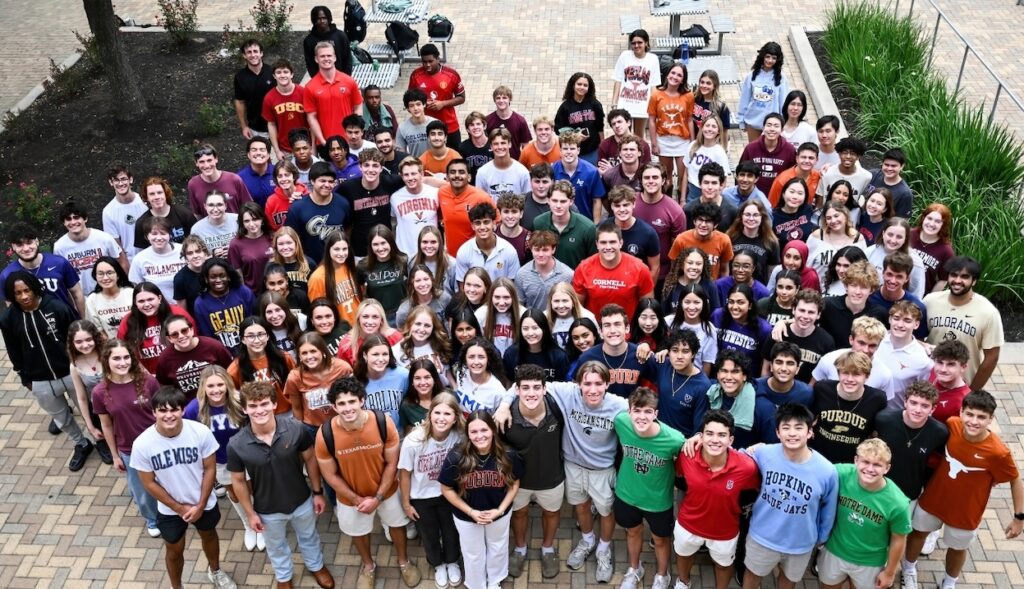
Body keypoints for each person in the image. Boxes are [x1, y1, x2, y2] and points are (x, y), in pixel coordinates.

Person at [900, 390, 1024, 589]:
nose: (974, 421)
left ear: (991, 419)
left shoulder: (998, 452)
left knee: (958, 547)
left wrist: (1019, 517)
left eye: (981, 417)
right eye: (970, 414)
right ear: (961, 412)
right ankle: (908, 569)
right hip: (934, 498)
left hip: (966, 511)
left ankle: (949, 583)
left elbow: (1015, 480)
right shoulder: (953, 425)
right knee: (918, 533)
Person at [315, 377, 421, 589]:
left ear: (362, 400)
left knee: (397, 526)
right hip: (350, 497)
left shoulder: (383, 422)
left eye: (352, 401)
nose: (347, 408)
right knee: (358, 533)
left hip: (387, 491)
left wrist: (378, 497)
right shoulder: (325, 434)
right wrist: (356, 499)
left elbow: (392, 464)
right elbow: (330, 475)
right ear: (334, 406)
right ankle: (368, 566)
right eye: (341, 403)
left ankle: (403, 561)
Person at [227, 381, 334, 589]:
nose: (260, 410)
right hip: (267, 509)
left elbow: (311, 459)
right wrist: (250, 513)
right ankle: (284, 576)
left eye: (264, 404)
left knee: (309, 536)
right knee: (276, 546)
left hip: (302, 500)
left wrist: (318, 492)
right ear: (244, 409)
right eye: (253, 406)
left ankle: (316, 566)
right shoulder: (236, 444)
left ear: (274, 404)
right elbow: (238, 481)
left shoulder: (296, 428)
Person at [131, 387, 237, 589]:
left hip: (203, 502)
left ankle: (215, 571)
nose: (169, 415)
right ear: (154, 412)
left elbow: (209, 468)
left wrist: (201, 504)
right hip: (170, 509)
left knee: (209, 535)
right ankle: (176, 586)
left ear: (182, 410)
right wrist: (179, 508)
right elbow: (148, 483)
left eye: (174, 409)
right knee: (173, 548)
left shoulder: (200, 432)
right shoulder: (142, 444)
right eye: (162, 410)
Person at [1, 272, 95, 466]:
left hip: (70, 373)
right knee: (61, 417)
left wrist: (81, 365)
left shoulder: (57, 307)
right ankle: (81, 443)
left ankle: (100, 439)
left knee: (89, 409)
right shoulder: (8, 319)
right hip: (40, 380)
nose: (24, 296)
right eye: (17, 293)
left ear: (35, 288)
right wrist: (24, 377)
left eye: (27, 290)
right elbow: (13, 350)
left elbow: (75, 338)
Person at [742, 403, 838, 589]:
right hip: (762, 535)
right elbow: (734, 459)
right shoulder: (764, 453)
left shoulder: (827, 470)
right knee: (753, 575)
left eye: (799, 427)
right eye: (786, 428)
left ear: (810, 432)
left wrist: (822, 537)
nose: (792, 433)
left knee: (788, 581)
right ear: (778, 433)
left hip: (801, 541)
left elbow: (829, 507)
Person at [673, 410, 760, 589]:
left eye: (722, 435)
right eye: (709, 433)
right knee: (684, 555)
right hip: (688, 523)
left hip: (725, 531)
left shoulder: (747, 467)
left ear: (731, 440)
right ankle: (683, 582)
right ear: (701, 436)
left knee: (723, 565)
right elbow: (679, 477)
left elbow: (753, 489)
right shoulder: (687, 455)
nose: (715, 440)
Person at [614, 387, 685, 589]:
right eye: (637, 410)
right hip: (627, 494)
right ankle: (634, 568)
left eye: (648, 412)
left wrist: (697, 437)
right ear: (629, 412)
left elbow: (691, 453)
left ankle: (662, 575)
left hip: (658, 501)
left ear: (656, 414)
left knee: (661, 540)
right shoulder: (621, 423)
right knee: (633, 532)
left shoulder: (674, 440)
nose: (642, 417)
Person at [500, 364, 566, 579]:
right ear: (516, 390)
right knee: (519, 514)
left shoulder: (557, 408)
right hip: (519, 482)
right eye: (525, 388)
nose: (531, 393)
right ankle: (520, 547)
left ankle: (547, 548)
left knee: (552, 513)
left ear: (544, 389)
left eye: (536, 387)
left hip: (552, 477)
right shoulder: (504, 418)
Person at [816, 439, 910, 589]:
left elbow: (899, 538)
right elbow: (812, 471)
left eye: (877, 465)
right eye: (865, 462)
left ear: (887, 468)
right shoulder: (840, 474)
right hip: (834, 551)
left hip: (870, 562)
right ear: (856, 461)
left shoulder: (897, 503)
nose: (870, 469)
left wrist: (889, 572)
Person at [185, 366, 262, 550]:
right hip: (220, 461)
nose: (216, 390)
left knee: (253, 490)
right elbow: (188, 435)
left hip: (246, 457)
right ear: (203, 387)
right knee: (235, 493)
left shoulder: (238, 400)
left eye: (220, 384)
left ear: (227, 384)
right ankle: (248, 525)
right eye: (210, 386)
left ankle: (260, 524)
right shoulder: (194, 408)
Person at [93, 340, 160, 535]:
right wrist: (115, 455)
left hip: (157, 442)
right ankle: (152, 520)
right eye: (116, 358)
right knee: (141, 489)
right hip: (129, 449)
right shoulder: (100, 392)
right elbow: (106, 425)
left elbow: (162, 411)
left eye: (126, 357)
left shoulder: (149, 382)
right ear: (107, 361)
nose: (122, 362)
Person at [398, 393, 465, 588]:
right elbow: (404, 474)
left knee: (451, 530)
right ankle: (438, 564)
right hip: (421, 497)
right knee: (429, 534)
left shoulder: (459, 436)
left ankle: (452, 561)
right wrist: (406, 504)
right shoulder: (414, 441)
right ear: (430, 414)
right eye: (437, 412)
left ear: (455, 417)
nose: (441, 418)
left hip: (448, 493)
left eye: (447, 413)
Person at [924, 256, 1002, 390]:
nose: (957, 281)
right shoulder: (930, 302)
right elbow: (916, 339)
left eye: (965, 277)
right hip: (929, 384)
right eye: (953, 275)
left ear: (974, 281)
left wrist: (972, 392)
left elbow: (992, 358)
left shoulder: (988, 313)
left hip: (963, 385)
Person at [810, 350, 888, 464]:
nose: (850, 379)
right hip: (818, 460)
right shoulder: (822, 389)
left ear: (867, 376)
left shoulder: (877, 399)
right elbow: (808, 419)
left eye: (856, 374)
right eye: (845, 373)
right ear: (838, 373)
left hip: (852, 465)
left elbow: (876, 434)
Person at [575, 304, 657, 399]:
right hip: (598, 412)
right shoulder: (587, 358)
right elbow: (577, 392)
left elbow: (664, 383)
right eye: (607, 325)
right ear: (601, 332)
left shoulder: (641, 354)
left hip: (630, 412)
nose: (612, 330)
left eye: (617, 324)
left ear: (627, 328)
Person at [2, 223, 85, 316]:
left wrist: (83, 321)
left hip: (66, 321)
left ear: (36, 241)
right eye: (20, 244)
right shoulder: (7, 275)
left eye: (29, 242)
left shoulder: (59, 263)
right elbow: (11, 307)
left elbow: (77, 293)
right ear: (13, 247)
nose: (26, 248)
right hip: (33, 326)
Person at [810, 316, 895, 402]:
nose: (865, 350)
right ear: (851, 339)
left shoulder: (884, 375)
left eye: (872, 346)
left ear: (878, 346)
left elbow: (885, 408)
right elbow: (811, 391)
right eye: (861, 343)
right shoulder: (829, 360)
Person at [760, 288, 834, 382]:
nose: (805, 316)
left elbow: (823, 377)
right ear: (794, 310)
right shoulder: (778, 333)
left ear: (818, 315)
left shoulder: (826, 341)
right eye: (802, 310)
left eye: (811, 312)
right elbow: (765, 369)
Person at [66, 320, 114, 465]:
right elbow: (81, 398)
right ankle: (102, 444)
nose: (85, 345)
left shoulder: (109, 354)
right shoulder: (75, 366)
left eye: (88, 339)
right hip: (98, 410)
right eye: (79, 342)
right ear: (72, 343)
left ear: (95, 337)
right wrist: (90, 426)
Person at [118, 281, 193, 373]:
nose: (146, 304)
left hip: (182, 371)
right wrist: (146, 376)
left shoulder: (177, 313)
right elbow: (122, 351)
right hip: (146, 376)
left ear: (159, 298)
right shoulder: (127, 321)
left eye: (150, 299)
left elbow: (194, 340)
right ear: (135, 303)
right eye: (141, 301)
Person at [54, 201, 126, 296]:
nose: (73, 222)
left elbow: (121, 262)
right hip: (81, 298)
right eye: (68, 219)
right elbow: (62, 277)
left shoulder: (104, 238)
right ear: (64, 222)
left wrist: (123, 287)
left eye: (76, 217)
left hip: (109, 291)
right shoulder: (60, 247)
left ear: (85, 219)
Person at [155, 314, 232, 401]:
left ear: (191, 330)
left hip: (220, 400)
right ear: (169, 338)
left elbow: (230, 372)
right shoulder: (165, 359)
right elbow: (165, 388)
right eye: (174, 334)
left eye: (184, 330)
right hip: (187, 408)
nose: (181, 336)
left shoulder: (214, 346)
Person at [285, 162, 349, 263]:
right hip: (309, 264)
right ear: (312, 181)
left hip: (338, 262)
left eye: (331, 181)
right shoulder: (298, 208)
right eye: (322, 181)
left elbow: (348, 230)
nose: (327, 185)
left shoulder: (343, 204)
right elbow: (290, 238)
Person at [652, 330, 713, 437]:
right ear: (668, 352)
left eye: (685, 351)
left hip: (682, 443)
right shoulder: (663, 365)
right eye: (675, 350)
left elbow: (699, 428)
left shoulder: (703, 385)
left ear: (693, 353)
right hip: (658, 436)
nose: (679, 356)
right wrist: (643, 346)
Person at [648, 62, 694, 198]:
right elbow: (651, 119)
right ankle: (666, 202)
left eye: (679, 75)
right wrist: (654, 143)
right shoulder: (656, 94)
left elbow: (690, 119)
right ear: (667, 74)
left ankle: (681, 203)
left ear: (683, 80)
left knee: (682, 175)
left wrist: (693, 143)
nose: (675, 77)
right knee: (667, 177)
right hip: (664, 140)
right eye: (673, 73)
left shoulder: (688, 95)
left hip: (682, 141)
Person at [876, 301, 933, 407]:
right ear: (889, 319)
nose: (900, 325)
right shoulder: (875, 341)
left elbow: (924, 396)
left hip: (895, 415)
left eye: (907, 321)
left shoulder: (923, 360)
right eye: (896, 318)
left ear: (916, 324)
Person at [303, 41, 361, 146]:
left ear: (335, 57)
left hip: (349, 142)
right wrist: (323, 142)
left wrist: (355, 132)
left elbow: (358, 106)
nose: (326, 59)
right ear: (316, 59)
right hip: (326, 144)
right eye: (322, 56)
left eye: (329, 55)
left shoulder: (349, 81)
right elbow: (311, 117)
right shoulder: (310, 87)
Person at [192, 258, 255, 353]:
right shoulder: (200, 303)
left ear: (229, 276)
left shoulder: (243, 292)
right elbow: (207, 336)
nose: (218, 280)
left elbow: (255, 320)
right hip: (223, 353)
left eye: (222, 276)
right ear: (206, 279)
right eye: (213, 277)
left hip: (250, 347)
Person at [408, 44, 466, 147]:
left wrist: (443, 103)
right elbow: (410, 100)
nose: (427, 65)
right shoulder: (416, 75)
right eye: (424, 62)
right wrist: (422, 104)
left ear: (438, 59)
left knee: (454, 158)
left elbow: (461, 98)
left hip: (449, 126)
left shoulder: (451, 75)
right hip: (424, 127)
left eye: (431, 61)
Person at [818, 260, 888, 345]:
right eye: (853, 285)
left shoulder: (879, 313)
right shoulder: (828, 305)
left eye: (864, 287)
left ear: (871, 290)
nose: (857, 292)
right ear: (846, 286)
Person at [531, 180, 597, 268]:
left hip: (575, 280)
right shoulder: (538, 223)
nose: (558, 206)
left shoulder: (587, 228)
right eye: (554, 201)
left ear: (571, 201)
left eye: (563, 201)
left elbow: (593, 261)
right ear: (548, 200)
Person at [454, 201, 520, 283]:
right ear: (472, 226)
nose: (482, 227)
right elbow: (462, 286)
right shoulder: (464, 251)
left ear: (494, 223)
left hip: (500, 295)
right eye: (478, 223)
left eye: (486, 222)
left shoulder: (509, 251)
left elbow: (513, 285)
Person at [613, 29, 662, 137]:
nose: (636, 45)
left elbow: (653, 85)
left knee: (639, 135)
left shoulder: (653, 59)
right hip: (624, 103)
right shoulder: (625, 56)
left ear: (646, 43)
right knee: (622, 134)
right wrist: (614, 103)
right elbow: (618, 80)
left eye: (639, 42)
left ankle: (639, 154)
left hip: (642, 105)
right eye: (633, 43)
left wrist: (655, 106)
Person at [738, 42, 789, 143]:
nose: (770, 60)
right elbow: (744, 99)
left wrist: (784, 123)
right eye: (768, 57)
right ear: (762, 56)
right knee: (754, 154)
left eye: (774, 58)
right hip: (753, 122)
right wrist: (741, 121)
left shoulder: (782, 78)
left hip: (772, 125)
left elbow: (783, 103)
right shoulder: (751, 76)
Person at [607, 186, 660, 282]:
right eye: (617, 206)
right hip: (609, 285)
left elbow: (655, 268)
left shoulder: (648, 233)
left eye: (626, 205)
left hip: (637, 288)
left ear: (634, 204)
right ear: (612, 207)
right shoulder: (603, 229)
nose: (622, 209)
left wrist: (646, 295)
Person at [669, 203, 733, 280]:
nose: (703, 225)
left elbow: (724, 270)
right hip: (686, 287)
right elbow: (674, 269)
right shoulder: (681, 239)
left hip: (712, 287)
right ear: (694, 221)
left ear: (715, 225)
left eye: (708, 221)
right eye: (700, 219)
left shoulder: (724, 240)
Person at [502, 309, 569, 382]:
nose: (530, 333)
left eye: (535, 328)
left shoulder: (559, 356)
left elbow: (561, 386)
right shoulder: (511, 353)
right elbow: (508, 382)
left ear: (544, 329)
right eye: (525, 329)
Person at [553, 131, 607, 221]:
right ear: (560, 151)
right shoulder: (553, 170)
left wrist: (596, 226)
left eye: (572, 148)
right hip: (559, 222)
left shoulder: (591, 172)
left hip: (585, 223)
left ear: (578, 150)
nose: (569, 152)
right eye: (565, 148)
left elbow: (596, 201)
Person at [390, 158, 440, 257]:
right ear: (401, 176)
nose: (410, 178)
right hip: (406, 253)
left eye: (413, 174)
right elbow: (393, 222)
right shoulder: (395, 197)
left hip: (431, 251)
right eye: (406, 175)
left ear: (421, 174)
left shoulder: (435, 193)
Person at [187, 144, 253, 218]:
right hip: (209, 228)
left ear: (216, 159)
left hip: (236, 226)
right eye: (202, 162)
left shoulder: (234, 179)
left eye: (209, 160)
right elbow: (197, 214)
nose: (207, 165)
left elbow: (249, 207)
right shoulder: (193, 184)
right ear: (196, 163)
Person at [515, 229, 574, 310]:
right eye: (537, 249)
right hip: (531, 321)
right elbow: (519, 305)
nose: (541, 254)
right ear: (531, 249)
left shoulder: (567, 275)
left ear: (553, 249)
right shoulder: (522, 274)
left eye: (545, 250)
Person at [740, 113, 796, 196]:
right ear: (763, 128)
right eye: (769, 125)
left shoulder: (789, 150)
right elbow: (740, 172)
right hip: (752, 197)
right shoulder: (751, 148)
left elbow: (793, 175)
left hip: (780, 197)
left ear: (782, 129)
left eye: (776, 126)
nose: (772, 129)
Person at [555, 72, 605, 164]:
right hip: (572, 152)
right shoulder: (565, 107)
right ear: (573, 85)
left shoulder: (595, 104)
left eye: (585, 85)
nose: (582, 87)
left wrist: (602, 146)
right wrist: (575, 136)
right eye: (579, 84)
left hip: (592, 151)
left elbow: (600, 127)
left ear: (589, 88)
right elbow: (558, 130)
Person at [134, 177, 196, 250]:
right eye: (152, 194)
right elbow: (142, 252)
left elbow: (197, 241)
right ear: (146, 197)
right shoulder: (141, 223)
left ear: (165, 193)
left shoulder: (184, 214)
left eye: (159, 192)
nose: (157, 197)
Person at [262, 59, 306, 160]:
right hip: (285, 149)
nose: (282, 75)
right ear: (274, 76)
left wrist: (313, 146)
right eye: (278, 72)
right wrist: (277, 150)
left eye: (285, 72)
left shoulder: (303, 93)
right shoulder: (269, 98)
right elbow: (271, 124)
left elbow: (312, 119)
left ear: (292, 74)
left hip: (305, 145)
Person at [103, 164, 148, 261]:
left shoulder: (145, 201)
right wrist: (127, 273)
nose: (120, 183)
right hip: (130, 262)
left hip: (151, 257)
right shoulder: (108, 212)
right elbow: (116, 248)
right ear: (111, 182)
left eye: (123, 179)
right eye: (116, 180)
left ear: (130, 180)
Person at [233, 38, 274, 142]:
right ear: (244, 55)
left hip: (277, 124)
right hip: (256, 128)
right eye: (249, 52)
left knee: (284, 157)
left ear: (261, 53)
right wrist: (244, 126)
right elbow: (240, 101)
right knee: (260, 158)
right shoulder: (240, 77)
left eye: (255, 51)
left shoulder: (272, 72)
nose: (253, 55)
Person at [684, 115, 730, 203]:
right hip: (693, 192)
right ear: (702, 128)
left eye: (714, 127)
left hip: (710, 193)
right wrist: (682, 199)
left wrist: (717, 199)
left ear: (718, 131)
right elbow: (685, 174)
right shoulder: (692, 146)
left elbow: (723, 180)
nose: (710, 129)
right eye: (707, 125)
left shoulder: (720, 153)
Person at [754, 341, 814, 410]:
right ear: (771, 366)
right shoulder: (754, 387)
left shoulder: (806, 393)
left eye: (790, 363)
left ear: (797, 369)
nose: (783, 368)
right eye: (779, 362)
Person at [911, 202, 955, 293]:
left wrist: (928, 300)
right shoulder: (908, 234)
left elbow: (943, 279)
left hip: (920, 296)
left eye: (937, 221)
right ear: (923, 218)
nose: (931, 224)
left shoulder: (946, 251)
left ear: (943, 225)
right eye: (929, 218)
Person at [476, 128, 530, 198]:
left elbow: (528, 200)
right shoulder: (482, 173)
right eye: (496, 144)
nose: (500, 147)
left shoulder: (522, 172)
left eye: (503, 143)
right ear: (491, 147)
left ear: (510, 144)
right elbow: (480, 200)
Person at [302, 5, 352, 77]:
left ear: (328, 18)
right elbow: (310, 64)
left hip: (341, 78)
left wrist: (346, 77)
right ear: (314, 20)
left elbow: (347, 59)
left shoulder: (340, 36)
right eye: (319, 19)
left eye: (324, 18)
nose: (322, 21)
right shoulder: (309, 41)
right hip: (321, 80)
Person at [768, 142, 822, 208]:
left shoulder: (818, 176)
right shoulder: (782, 180)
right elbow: (771, 207)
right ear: (797, 158)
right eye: (803, 157)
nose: (807, 161)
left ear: (817, 160)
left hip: (806, 215)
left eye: (811, 158)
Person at [485, 85, 531, 160]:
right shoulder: (487, 120)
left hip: (514, 163)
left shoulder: (520, 121)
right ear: (494, 100)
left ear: (510, 99)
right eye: (498, 98)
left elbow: (525, 146)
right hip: (493, 162)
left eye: (504, 98)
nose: (501, 101)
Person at [866, 148, 914, 219]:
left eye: (893, 166)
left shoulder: (905, 193)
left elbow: (901, 220)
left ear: (902, 166)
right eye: (886, 165)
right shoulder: (872, 175)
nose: (889, 168)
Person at [190, 191, 239, 259]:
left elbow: (251, 245)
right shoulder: (197, 230)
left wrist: (234, 251)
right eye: (211, 205)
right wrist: (213, 256)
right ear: (205, 206)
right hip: (213, 267)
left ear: (226, 205)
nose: (215, 209)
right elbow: (196, 258)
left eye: (219, 204)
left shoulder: (238, 220)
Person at [691, 69, 732, 148]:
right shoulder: (694, 99)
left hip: (713, 145)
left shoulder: (721, 106)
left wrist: (724, 149)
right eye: (702, 82)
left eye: (708, 83)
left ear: (714, 86)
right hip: (696, 142)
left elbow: (725, 131)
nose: (704, 86)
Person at [396, 88, 439, 158]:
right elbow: (401, 153)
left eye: (418, 104)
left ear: (424, 104)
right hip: (415, 165)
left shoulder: (436, 123)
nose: (415, 108)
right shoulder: (402, 127)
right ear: (407, 108)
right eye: (411, 106)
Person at [237, 137, 276, 209]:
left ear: (268, 154)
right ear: (248, 154)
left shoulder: (278, 172)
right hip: (253, 218)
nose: (258, 153)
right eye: (254, 150)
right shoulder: (240, 178)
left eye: (262, 150)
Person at [494, 192, 529, 264]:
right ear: (500, 213)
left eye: (514, 212)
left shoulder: (528, 239)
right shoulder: (492, 234)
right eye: (506, 212)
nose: (510, 216)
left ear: (521, 214)